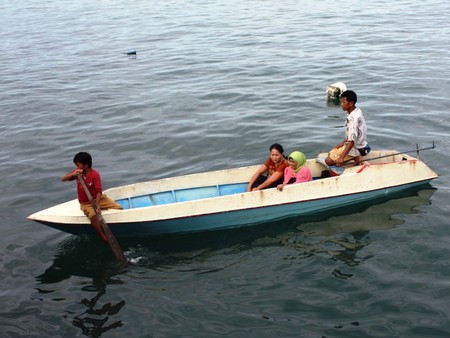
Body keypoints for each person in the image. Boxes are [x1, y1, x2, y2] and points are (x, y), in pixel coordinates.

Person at [61, 152, 122, 241]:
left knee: (118, 207)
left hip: (98, 199)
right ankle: (102, 236)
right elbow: (63, 178)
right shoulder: (77, 173)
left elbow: (98, 191)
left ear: (86, 165)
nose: (77, 167)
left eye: (78, 165)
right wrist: (74, 174)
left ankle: (103, 211)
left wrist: (97, 204)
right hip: (86, 202)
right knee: (93, 217)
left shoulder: (95, 175)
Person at [324, 90, 369, 167]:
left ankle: (355, 157)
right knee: (332, 152)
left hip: (355, 147)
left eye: (344, 102)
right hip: (361, 144)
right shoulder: (357, 110)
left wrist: (341, 157)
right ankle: (356, 159)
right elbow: (353, 134)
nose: (341, 104)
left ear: (351, 103)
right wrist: (342, 143)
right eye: (341, 102)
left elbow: (351, 141)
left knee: (328, 161)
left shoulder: (352, 119)